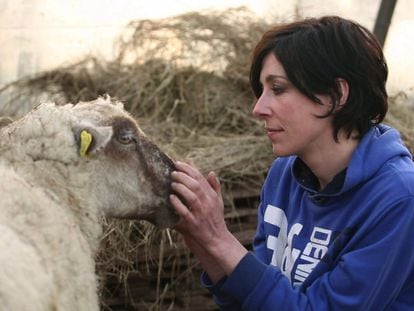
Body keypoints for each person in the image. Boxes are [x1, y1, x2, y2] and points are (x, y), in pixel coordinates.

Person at [169, 15, 414, 310]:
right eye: (261, 90)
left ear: (335, 95)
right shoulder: (285, 174)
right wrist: (201, 236)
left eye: (279, 88)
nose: (258, 108)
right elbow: (256, 297)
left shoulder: (399, 198)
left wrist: (219, 238)